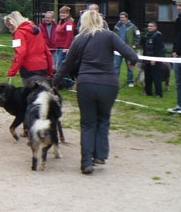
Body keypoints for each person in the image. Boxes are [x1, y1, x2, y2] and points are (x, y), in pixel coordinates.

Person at [53, 10, 138, 174]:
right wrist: (132, 63)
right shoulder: (109, 36)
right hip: (109, 84)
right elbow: (130, 54)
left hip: (86, 84)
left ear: (83, 23)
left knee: (87, 124)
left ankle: (86, 163)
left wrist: (55, 82)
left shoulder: (79, 40)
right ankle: (100, 155)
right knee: (104, 119)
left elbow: (66, 64)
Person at [4, 11, 53, 83]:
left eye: (10, 26)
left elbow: (20, 53)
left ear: (13, 24)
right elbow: (47, 52)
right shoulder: (38, 31)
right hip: (43, 67)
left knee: (29, 93)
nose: (10, 29)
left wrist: (12, 72)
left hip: (28, 69)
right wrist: (50, 71)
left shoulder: (19, 33)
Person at [113, 12, 140, 88]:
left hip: (128, 49)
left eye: (123, 17)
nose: (121, 19)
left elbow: (138, 35)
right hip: (118, 49)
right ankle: (115, 81)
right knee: (117, 66)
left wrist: (135, 44)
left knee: (130, 66)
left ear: (126, 18)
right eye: (120, 18)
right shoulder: (116, 26)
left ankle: (130, 81)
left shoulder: (132, 26)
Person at [142, 20, 165, 98]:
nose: (149, 28)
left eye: (151, 26)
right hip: (147, 58)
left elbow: (159, 49)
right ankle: (148, 92)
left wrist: (154, 59)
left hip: (155, 59)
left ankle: (159, 93)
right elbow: (145, 47)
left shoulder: (158, 35)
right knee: (147, 76)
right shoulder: (147, 35)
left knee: (156, 77)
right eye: (148, 26)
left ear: (155, 27)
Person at [170, 0, 181, 114]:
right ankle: (179, 105)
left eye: (180, 5)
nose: (178, 8)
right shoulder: (178, 20)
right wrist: (174, 50)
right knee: (178, 82)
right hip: (177, 55)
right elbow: (177, 37)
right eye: (177, 5)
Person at [54, 6, 75, 70]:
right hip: (59, 47)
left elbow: (70, 36)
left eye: (64, 13)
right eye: (61, 13)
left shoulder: (69, 23)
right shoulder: (61, 22)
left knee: (61, 67)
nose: (62, 14)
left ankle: (65, 80)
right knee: (59, 66)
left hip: (63, 48)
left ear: (68, 14)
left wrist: (66, 48)